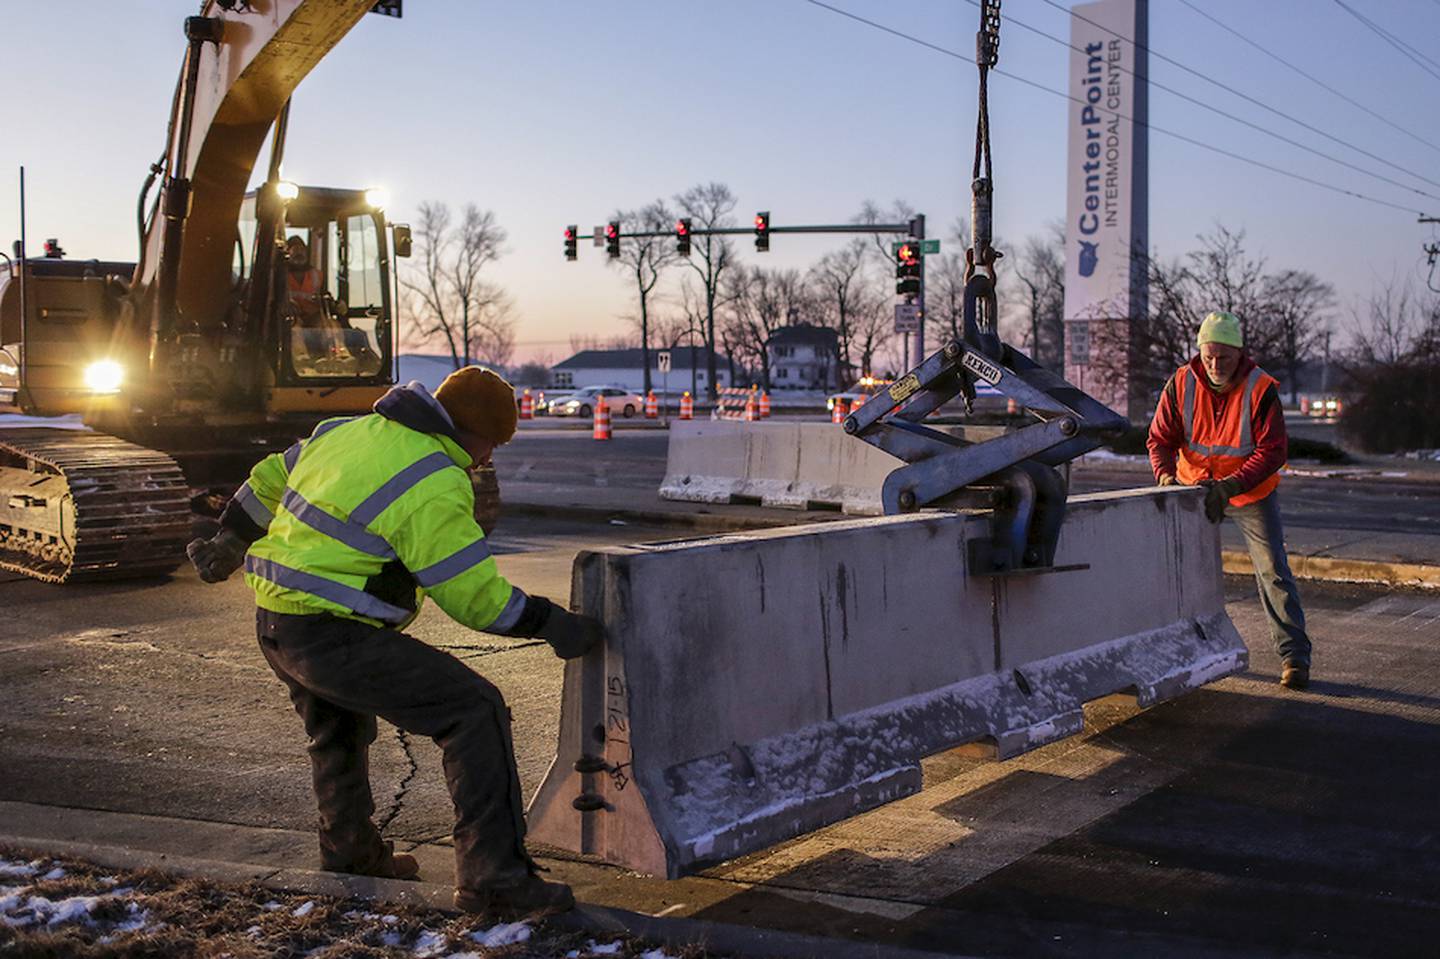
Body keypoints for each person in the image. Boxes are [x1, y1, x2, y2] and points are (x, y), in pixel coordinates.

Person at [186, 366, 602, 916]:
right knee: (474, 711)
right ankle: (493, 879)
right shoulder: (433, 479)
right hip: (332, 633)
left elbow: (267, 477)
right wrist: (552, 623)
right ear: (468, 431)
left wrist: (232, 538)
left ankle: (351, 854)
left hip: (278, 622)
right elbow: (473, 597)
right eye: (491, 445)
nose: (486, 461)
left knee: (338, 731)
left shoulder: (345, 430)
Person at [1147, 311, 1312, 690]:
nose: (1215, 365)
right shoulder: (1181, 383)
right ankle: (1180, 651)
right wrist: (1164, 475)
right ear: (1200, 353)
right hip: (1193, 489)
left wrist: (1232, 485)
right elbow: (1160, 439)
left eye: (1223, 357)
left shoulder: (1261, 388)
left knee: (1273, 570)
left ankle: (1294, 657)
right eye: (1208, 357)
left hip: (1251, 493)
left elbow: (1273, 452)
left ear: (1240, 353)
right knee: (1181, 572)